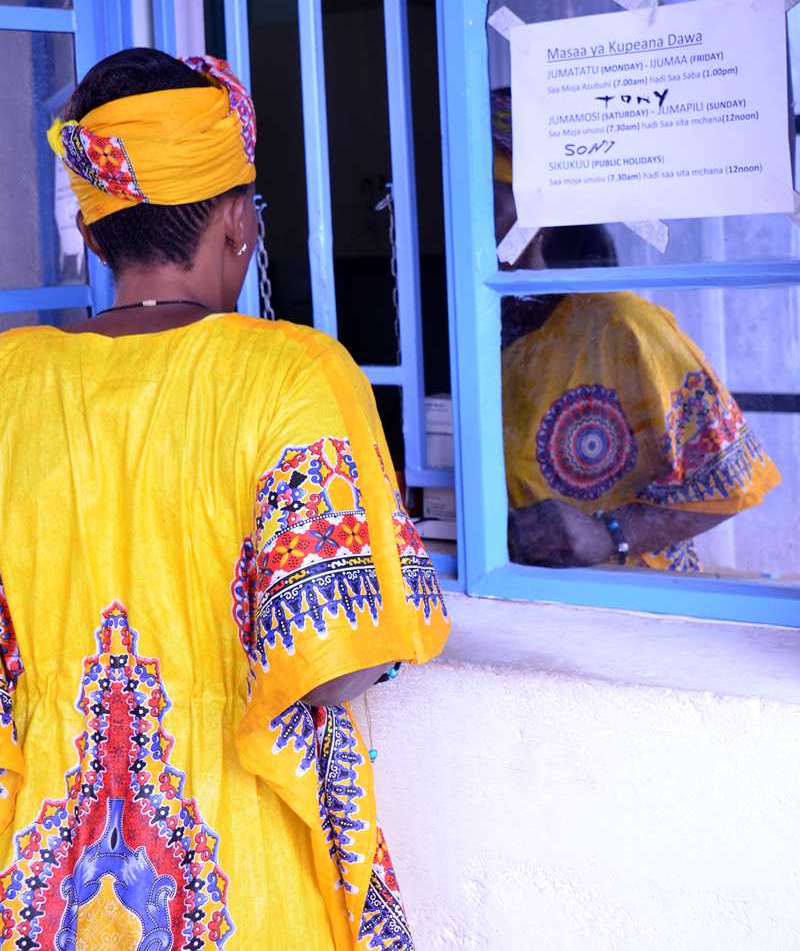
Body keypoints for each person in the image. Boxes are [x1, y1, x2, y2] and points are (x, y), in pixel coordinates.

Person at [0, 49, 449, 948]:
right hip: (232, 875)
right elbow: (341, 660)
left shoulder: (13, 380)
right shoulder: (293, 374)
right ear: (240, 221)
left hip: (43, 878)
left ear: (94, 234)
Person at [491, 87, 781, 571]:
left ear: (538, 217)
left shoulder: (621, 325)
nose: (470, 225)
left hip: (626, 600)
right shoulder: (474, 329)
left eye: (493, 204)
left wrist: (611, 535)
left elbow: (734, 475)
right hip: (510, 592)